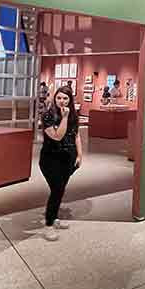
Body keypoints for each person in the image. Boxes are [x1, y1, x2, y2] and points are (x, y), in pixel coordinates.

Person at [39, 86, 82, 241]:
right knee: (57, 190)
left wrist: (80, 154)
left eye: (65, 98)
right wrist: (64, 118)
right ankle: (49, 225)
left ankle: (54, 217)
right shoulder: (48, 115)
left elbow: (76, 135)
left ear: (70, 100)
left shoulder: (73, 115)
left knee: (60, 190)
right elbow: (57, 136)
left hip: (68, 158)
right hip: (51, 159)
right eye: (59, 98)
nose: (62, 101)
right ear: (54, 98)